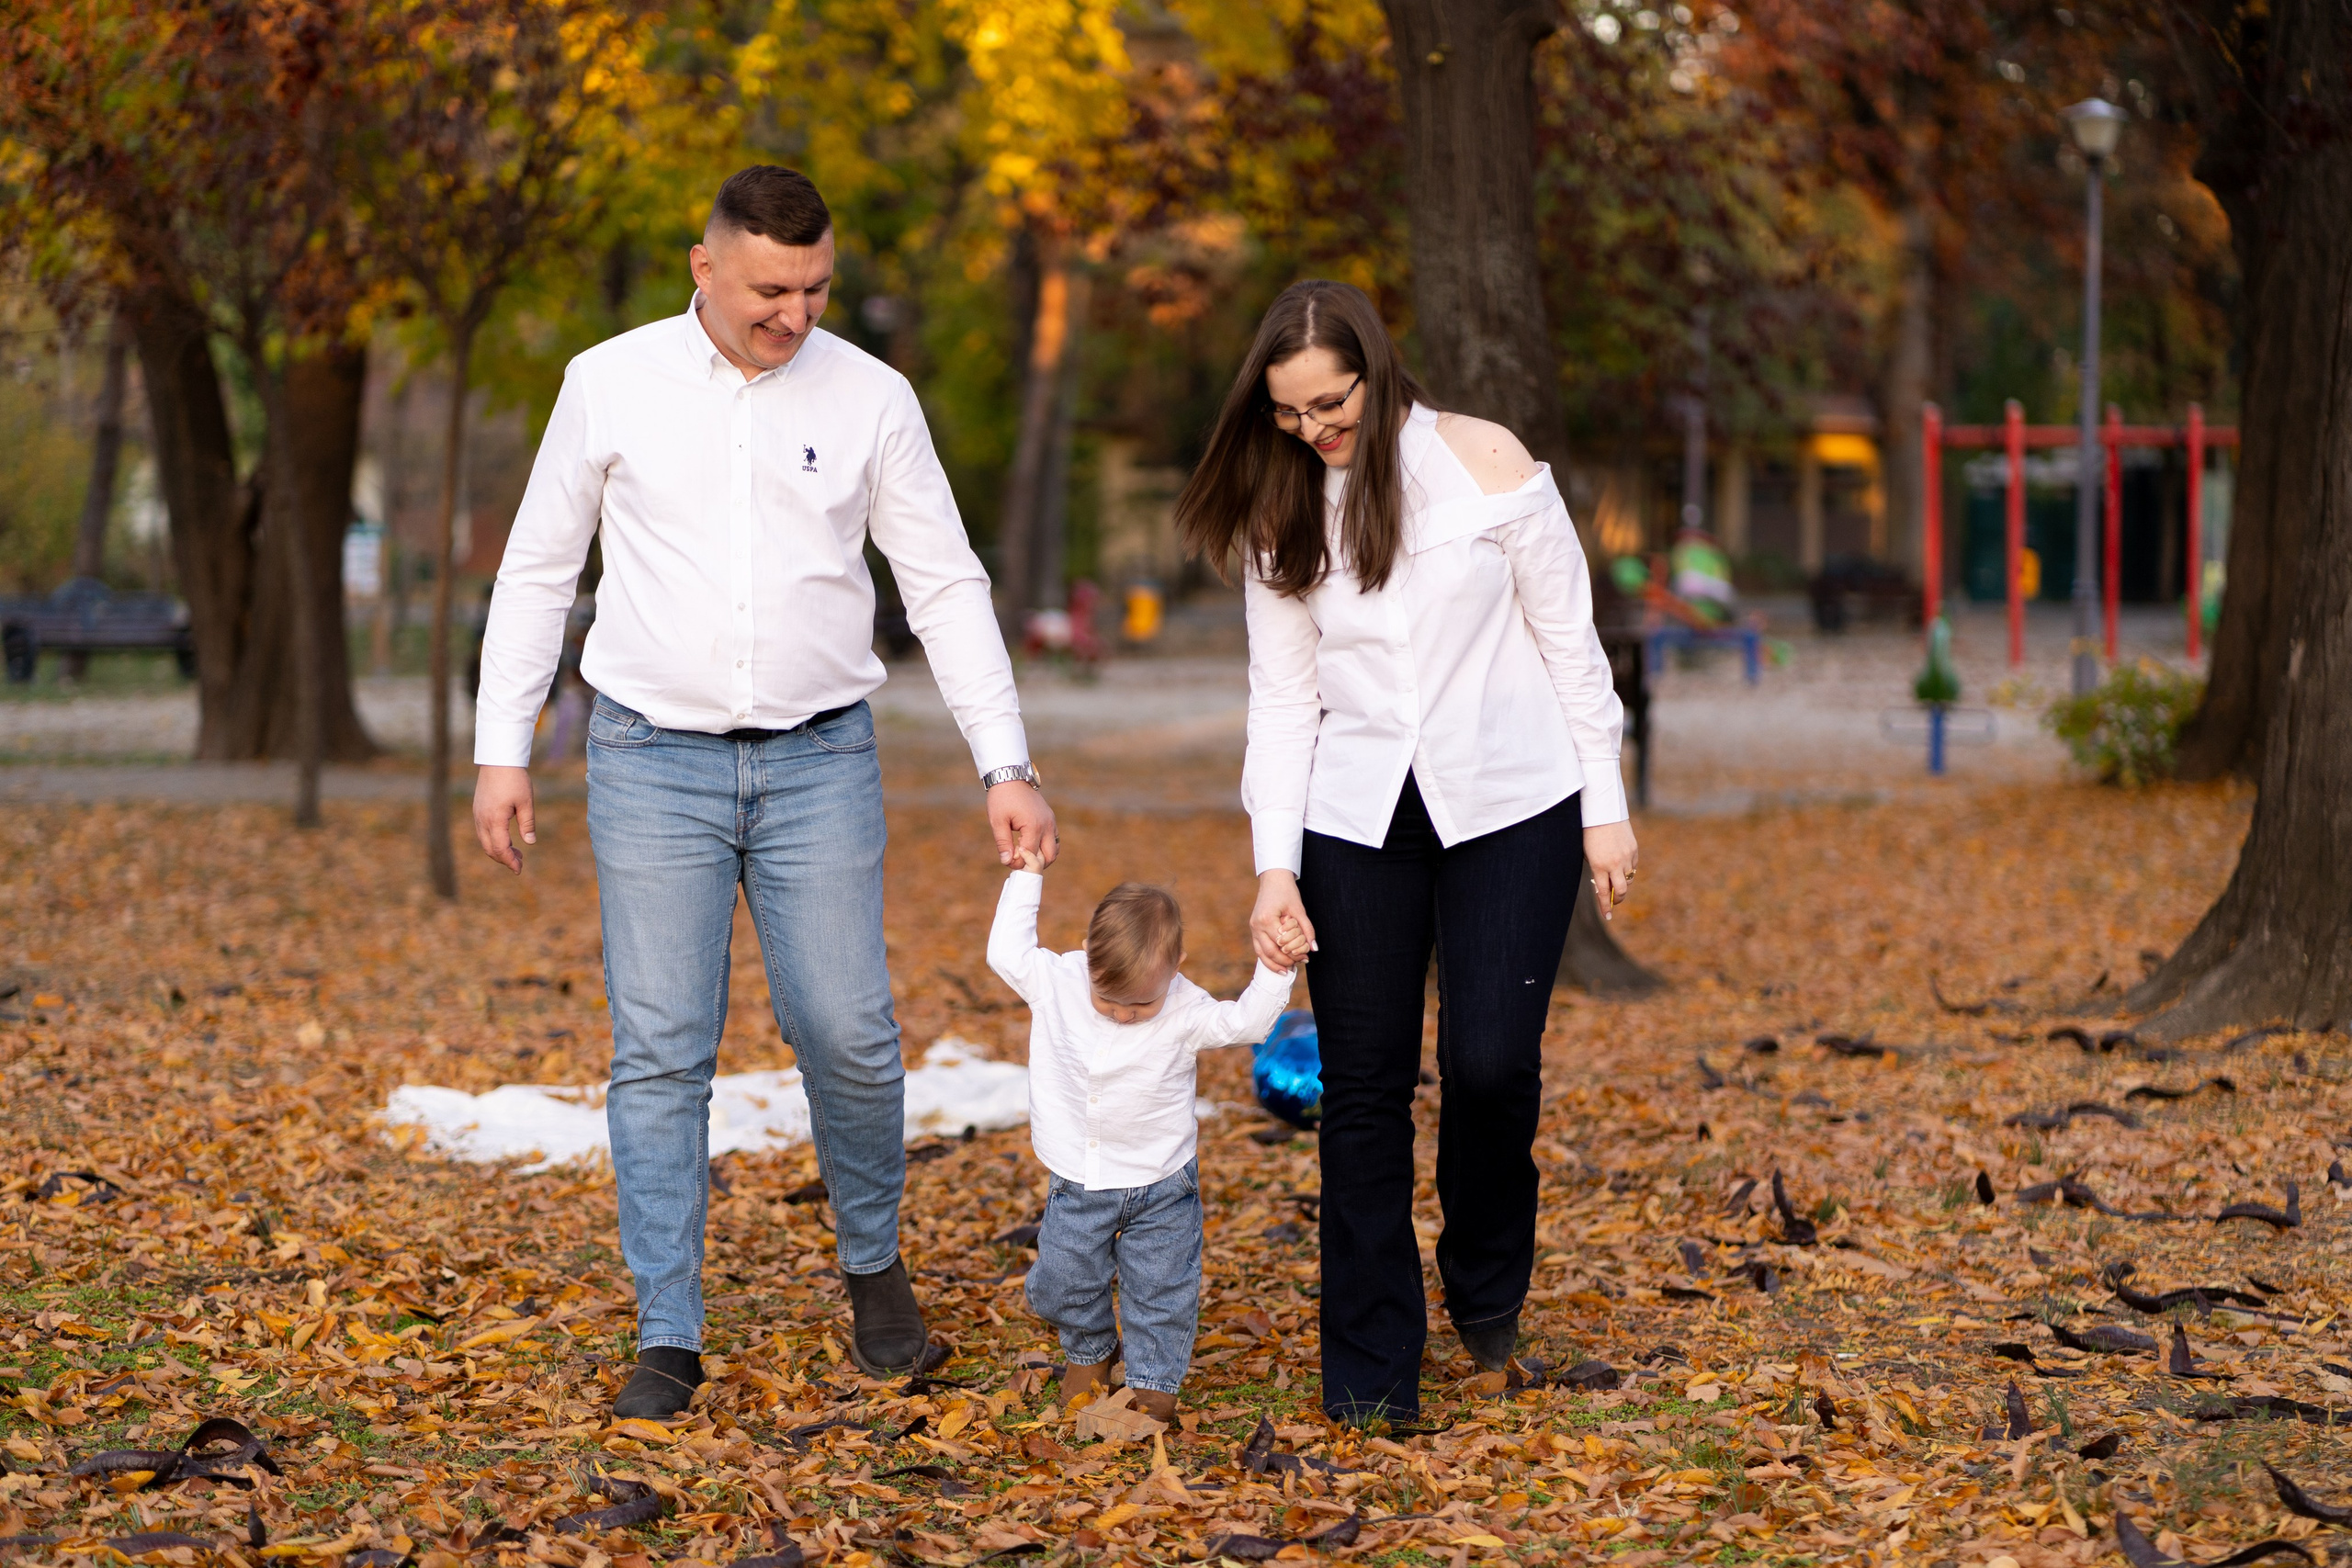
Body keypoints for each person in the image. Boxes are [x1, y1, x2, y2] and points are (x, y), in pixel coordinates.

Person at [470, 165, 1057, 1419]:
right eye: (768, 290)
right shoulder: (607, 381)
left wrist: (1004, 763)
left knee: (850, 1031)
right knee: (662, 1046)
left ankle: (873, 1268)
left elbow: (945, 583)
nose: (793, 313)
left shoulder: (871, 397)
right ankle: (668, 1329)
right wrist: (501, 746)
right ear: (704, 266)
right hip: (648, 756)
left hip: (819, 757)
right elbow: (535, 570)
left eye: (814, 287)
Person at [1173, 279, 1638, 1426]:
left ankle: (1486, 1297)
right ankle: (1373, 1376)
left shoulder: (1486, 464)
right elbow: (1280, 705)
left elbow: (1569, 645)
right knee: (1363, 1092)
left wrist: (1606, 804)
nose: (1313, 430)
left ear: (1377, 374)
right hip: (1352, 822)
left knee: (1489, 1065)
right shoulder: (1284, 513)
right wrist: (1271, 868)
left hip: (1514, 806)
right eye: (1288, 414)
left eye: (1330, 404)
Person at [985, 850, 1297, 1423]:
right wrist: (1027, 875)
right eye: (1110, 1000)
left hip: (1163, 1182)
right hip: (1079, 1180)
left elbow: (1246, 1024)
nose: (1126, 1015)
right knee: (1060, 1282)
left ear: (1177, 965)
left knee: (1160, 1290)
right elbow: (1005, 951)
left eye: (1142, 1004)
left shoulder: (1184, 1007)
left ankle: (1153, 1385)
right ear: (1087, 954)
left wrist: (1276, 967)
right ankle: (1091, 1349)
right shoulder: (1056, 982)